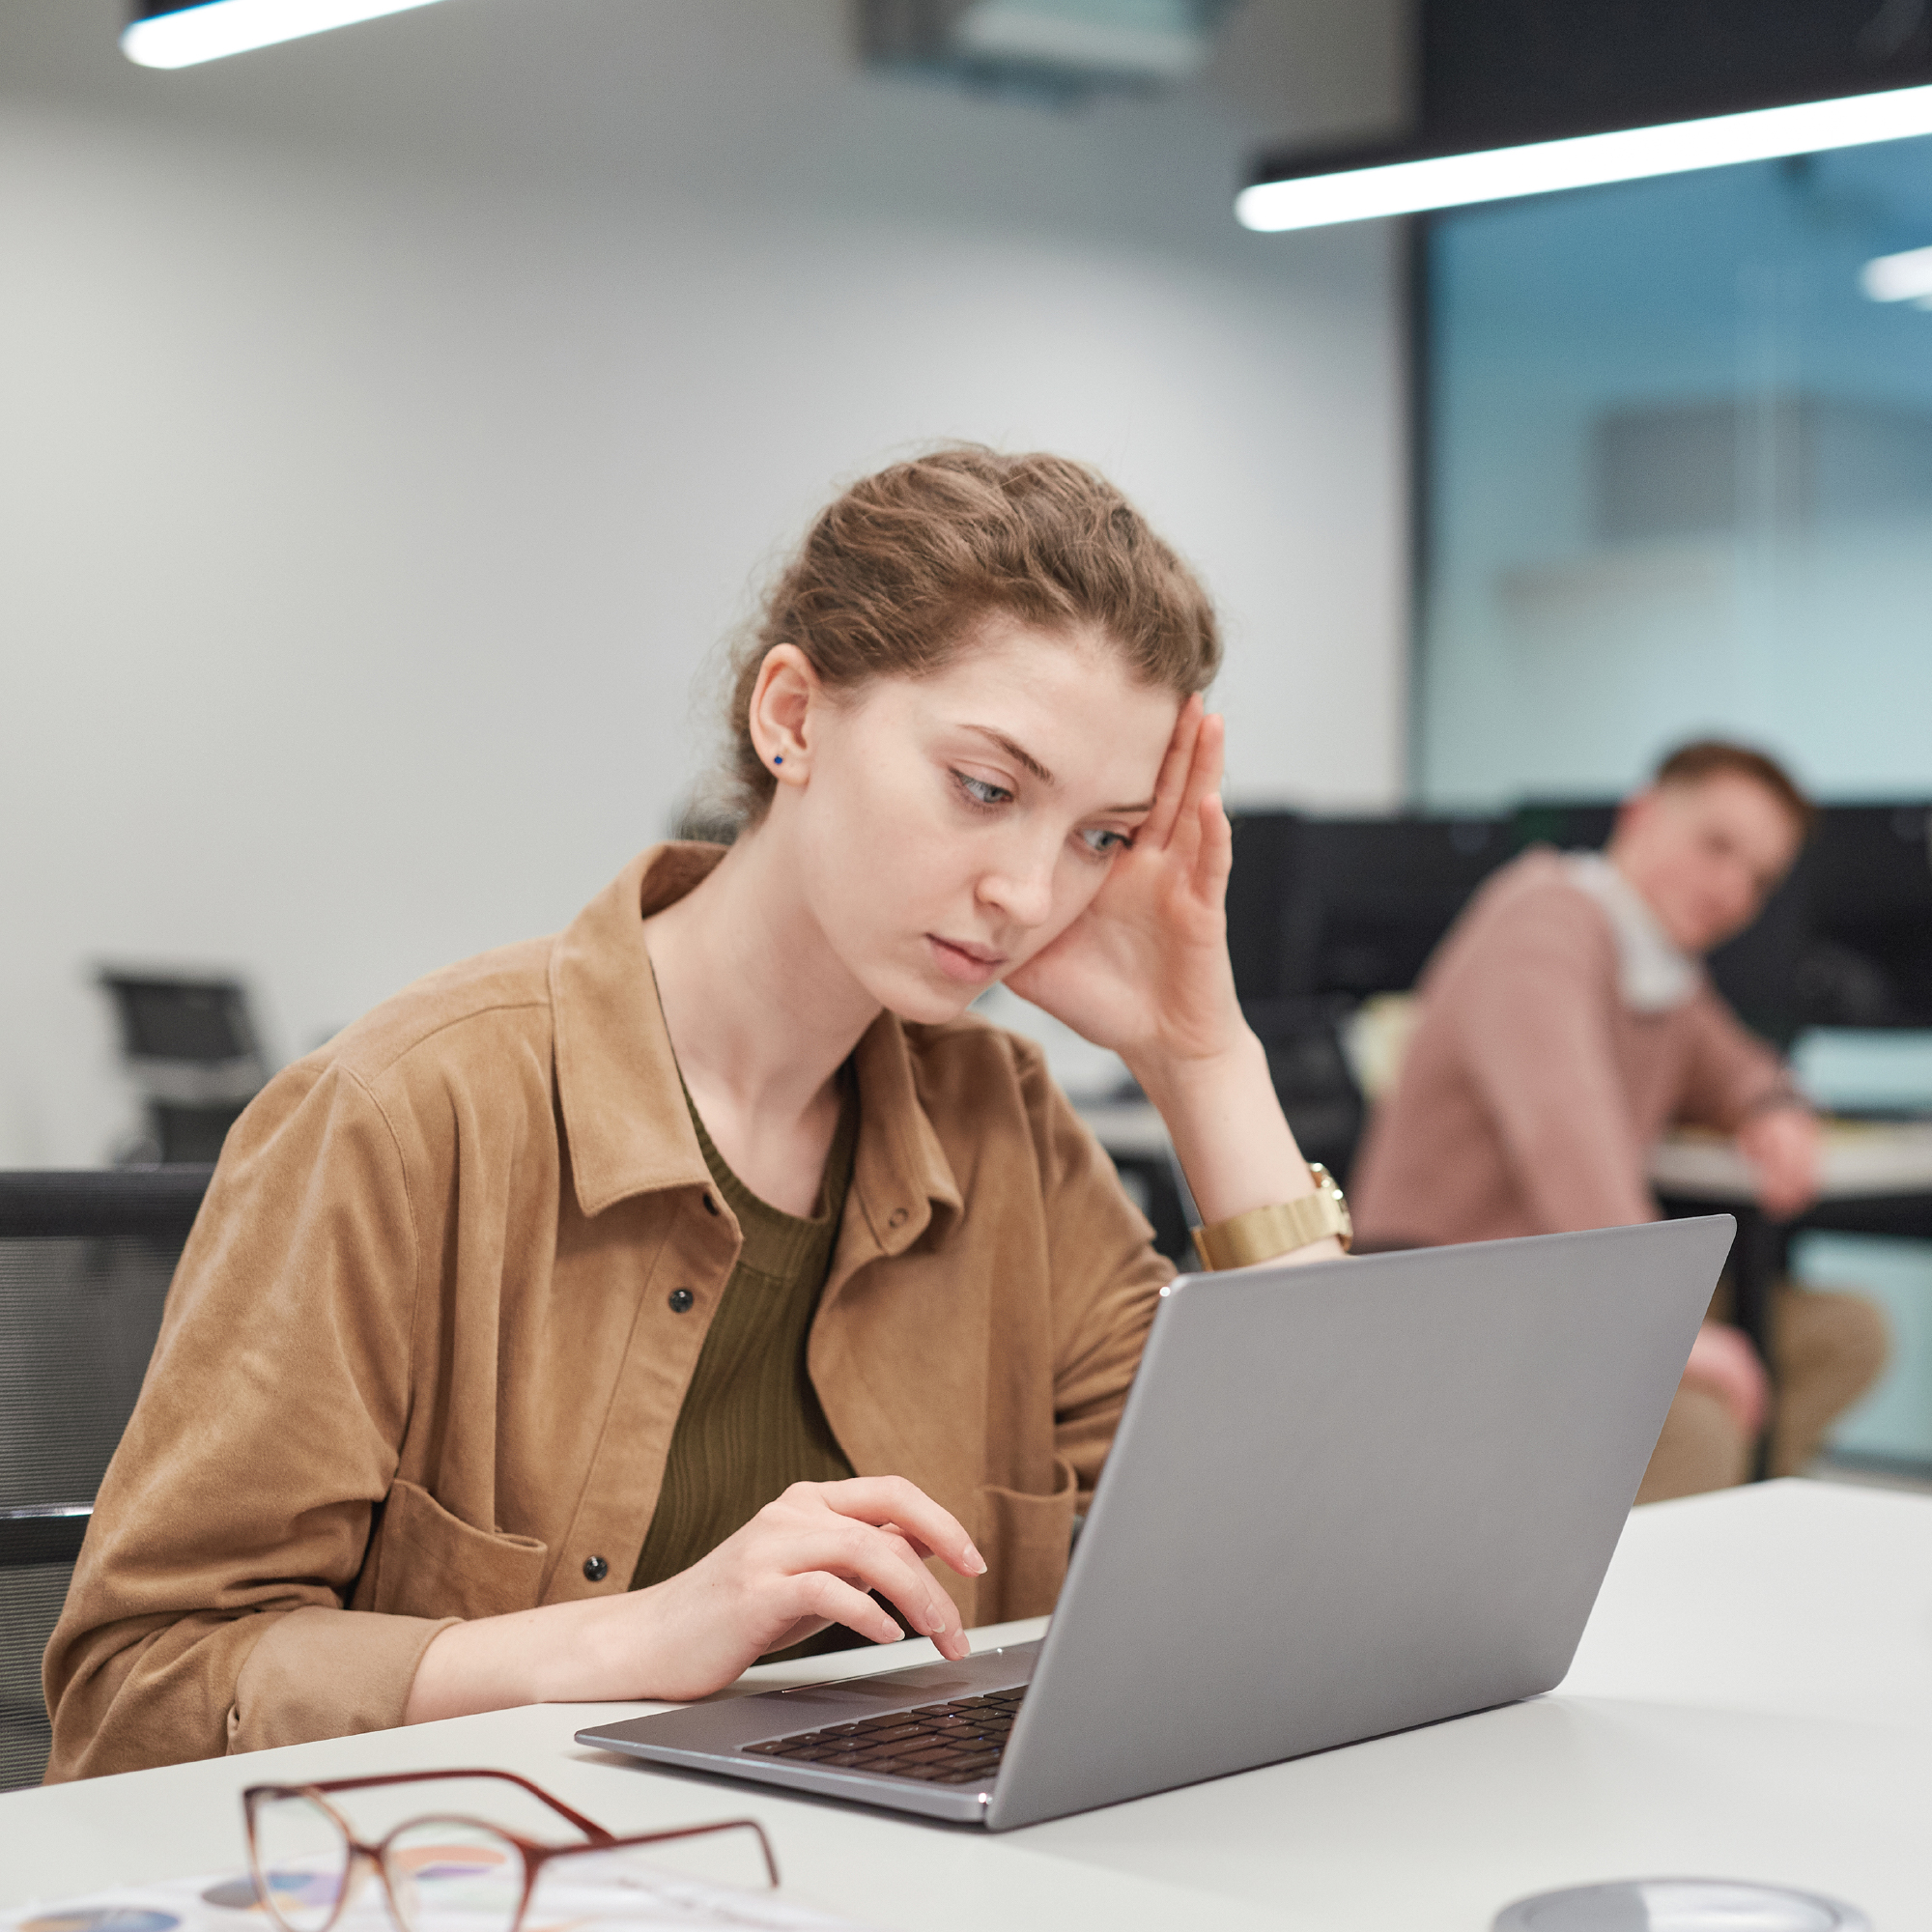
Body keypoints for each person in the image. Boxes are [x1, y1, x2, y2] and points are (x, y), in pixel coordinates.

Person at [44, 447, 1350, 1780]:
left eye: (1100, 837)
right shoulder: (406, 1115)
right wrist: (621, 1643)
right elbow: (139, 1685)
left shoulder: (1004, 1131)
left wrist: (1200, 1056)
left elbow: (1333, 1538)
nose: (1029, 891)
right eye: (987, 789)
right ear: (791, 715)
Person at [1350, 741, 1887, 1502]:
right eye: (1717, 846)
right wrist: (1665, 1328)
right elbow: (1568, 1137)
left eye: (1760, 877)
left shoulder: (1664, 971)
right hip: (1456, 1305)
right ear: (1641, 814)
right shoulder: (1545, 920)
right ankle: (1615, 1580)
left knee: (1845, 1337)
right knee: (1698, 1423)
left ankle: (1699, 1540)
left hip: (1564, 1296)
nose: (1734, 888)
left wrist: (1774, 1109)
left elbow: (1738, 1067)